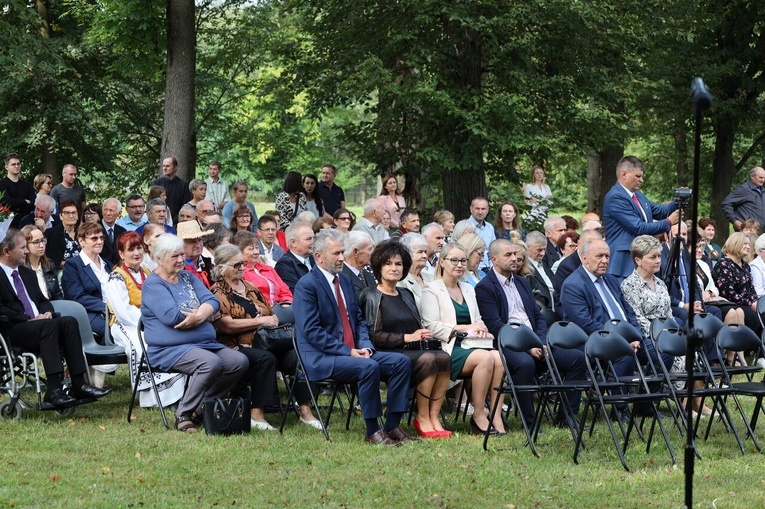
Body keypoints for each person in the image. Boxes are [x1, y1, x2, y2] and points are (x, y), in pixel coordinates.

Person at [293, 228, 414, 445]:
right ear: (318, 256)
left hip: (354, 351)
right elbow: (311, 331)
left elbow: (358, 320)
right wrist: (348, 351)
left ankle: (392, 426)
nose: (341, 258)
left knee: (401, 362)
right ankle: (373, 431)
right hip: (322, 357)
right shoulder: (307, 286)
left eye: (342, 252)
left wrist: (366, 347)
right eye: (336, 253)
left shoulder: (345, 282)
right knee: (368, 368)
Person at [141, 234, 249, 433]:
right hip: (169, 349)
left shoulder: (188, 277)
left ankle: (201, 407)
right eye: (175, 256)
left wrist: (200, 315)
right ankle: (183, 413)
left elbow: (213, 301)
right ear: (159, 258)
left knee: (238, 362)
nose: (181, 259)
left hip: (204, 344)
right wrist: (205, 314)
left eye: (182, 254)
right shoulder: (153, 285)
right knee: (209, 363)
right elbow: (173, 317)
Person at [476, 238, 585, 429]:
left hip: (537, 343)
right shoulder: (485, 287)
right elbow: (495, 325)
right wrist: (527, 347)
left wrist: (541, 342)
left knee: (576, 358)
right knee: (525, 364)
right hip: (508, 345)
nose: (514, 259)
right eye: (508, 255)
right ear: (493, 259)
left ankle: (565, 416)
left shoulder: (521, 282)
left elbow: (538, 317)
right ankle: (530, 422)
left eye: (515, 254)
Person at [211, 244, 321, 431]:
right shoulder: (217, 292)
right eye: (236, 265)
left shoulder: (250, 287)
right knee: (265, 359)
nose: (242, 269)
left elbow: (271, 314)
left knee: (298, 355)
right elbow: (226, 326)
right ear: (222, 268)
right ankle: (256, 414)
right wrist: (260, 321)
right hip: (236, 345)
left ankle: (305, 409)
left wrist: (268, 320)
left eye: (242, 264)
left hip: (266, 340)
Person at [560, 238, 672, 420]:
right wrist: (620, 339)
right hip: (596, 341)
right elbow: (585, 323)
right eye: (599, 256)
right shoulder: (573, 285)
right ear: (584, 258)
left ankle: (645, 405)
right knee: (624, 353)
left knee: (664, 351)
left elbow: (629, 313)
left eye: (607, 256)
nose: (605, 260)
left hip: (626, 338)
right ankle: (619, 408)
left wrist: (634, 335)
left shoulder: (610, 280)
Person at [0, 229, 110, 407]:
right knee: (49, 326)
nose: (27, 251)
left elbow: (43, 301)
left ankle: (79, 383)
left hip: (40, 325)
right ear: (6, 251)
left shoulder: (26, 273)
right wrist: (28, 319)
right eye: (22, 248)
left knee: (68, 322)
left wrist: (47, 312)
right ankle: (53, 389)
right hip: (13, 329)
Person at [359, 241, 452, 438]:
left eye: (399, 264)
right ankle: (412, 419)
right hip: (387, 353)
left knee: (443, 357)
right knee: (429, 359)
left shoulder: (405, 293)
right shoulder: (371, 296)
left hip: (413, 349)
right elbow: (373, 336)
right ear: (378, 266)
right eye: (388, 263)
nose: (394, 268)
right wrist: (407, 337)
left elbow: (415, 327)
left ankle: (432, 417)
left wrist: (423, 333)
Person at [621, 235, 714, 417]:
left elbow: (669, 315)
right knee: (667, 352)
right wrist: (664, 336)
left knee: (693, 345)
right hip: (647, 336)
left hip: (667, 332)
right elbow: (637, 318)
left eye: (658, 256)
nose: (658, 261)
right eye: (653, 257)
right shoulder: (630, 285)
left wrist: (675, 334)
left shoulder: (661, 283)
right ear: (638, 260)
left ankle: (694, 402)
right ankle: (672, 404)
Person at [420, 242, 507, 435]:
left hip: (473, 343)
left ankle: (496, 414)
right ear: (442, 262)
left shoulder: (468, 288)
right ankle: (478, 415)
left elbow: (477, 320)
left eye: (462, 260)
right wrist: (468, 327)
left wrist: (481, 326)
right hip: (447, 346)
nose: (459, 264)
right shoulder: (431, 289)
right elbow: (431, 326)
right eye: (453, 260)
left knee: (499, 358)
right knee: (485, 358)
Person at [104, 232, 185, 408]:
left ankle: (176, 394)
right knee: (143, 347)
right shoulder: (116, 277)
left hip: (151, 321)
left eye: (139, 248)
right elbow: (123, 311)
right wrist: (150, 320)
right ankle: (152, 398)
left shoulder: (148, 272)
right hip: (126, 325)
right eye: (131, 249)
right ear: (121, 253)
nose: (136, 253)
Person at [603, 156, 680, 278]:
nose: (641, 180)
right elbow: (638, 227)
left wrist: (678, 200)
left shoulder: (638, 195)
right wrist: (668, 223)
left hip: (640, 257)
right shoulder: (615, 197)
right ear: (624, 174)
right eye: (638, 176)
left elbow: (660, 211)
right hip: (624, 261)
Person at [61, 222, 114, 338]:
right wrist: (105, 306)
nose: (100, 242)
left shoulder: (108, 264)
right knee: (115, 331)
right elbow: (76, 296)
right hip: (89, 313)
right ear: (81, 241)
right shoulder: (73, 265)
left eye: (101, 238)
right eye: (94, 238)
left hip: (114, 312)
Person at [712, 232, 763, 335]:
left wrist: (755, 302)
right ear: (735, 243)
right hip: (731, 304)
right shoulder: (723, 264)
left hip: (746, 304)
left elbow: (751, 289)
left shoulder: (745, 266)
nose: (748, 247)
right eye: (745, 244)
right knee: (754, 319)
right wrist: (750, 304)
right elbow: (728, 293)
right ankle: (747, 349)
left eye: (749, 244)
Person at [233, 231, 293, 308]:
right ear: (239, 252)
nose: (256, 252)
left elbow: (284, 290)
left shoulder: (268, 269)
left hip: (281, 308)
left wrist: (286, 303)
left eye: (257, 248)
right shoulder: (239, 273)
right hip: (261, 313)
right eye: (251, 249)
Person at [21, 225, 63, 300]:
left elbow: (57, 294)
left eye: (43, 240)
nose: (42, 245)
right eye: (36, 242)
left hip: (52, 307)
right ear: (25, 244)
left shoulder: (49, 264)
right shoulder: (20, 269)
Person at [274, 221, 315, 292]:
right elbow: (299, 292)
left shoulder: (316, 259)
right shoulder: (284, 265)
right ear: (293, 242)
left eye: (313, 238)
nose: (313, 242)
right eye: (308, 239)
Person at [722, 166, 765, 231]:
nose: (763, 180)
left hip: (759, 232)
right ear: (752, 177)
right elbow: (726, 203)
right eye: (760, 177)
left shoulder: (763, 191)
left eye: (764, 178)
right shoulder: (743, 189)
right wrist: (734, 220)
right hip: (746, 231)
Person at [525, 231, 557, 313]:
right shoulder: (524, 269)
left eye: (544, 249)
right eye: (539, 250)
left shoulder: (546, 265)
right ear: (527, 247)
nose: (542, 253)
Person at [152, 156, 191, 223]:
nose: (164, 168)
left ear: (175, 167)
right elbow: (152, 203)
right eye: (163, 166)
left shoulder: (183, 185)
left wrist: (174, 220)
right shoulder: (156, 183)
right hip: (158, 221)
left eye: (167, 166)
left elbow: (185, 205)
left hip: (178, 222)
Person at [1, 154, 35, 229]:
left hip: (26, 222)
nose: (16, 166)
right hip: (8, 224)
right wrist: (24, 202)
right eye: (13, 164)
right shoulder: (2, 184)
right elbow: (7, 202)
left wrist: (16, 205)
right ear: (6, 167)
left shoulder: (27, 185)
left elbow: (33, 203)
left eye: (18, 164)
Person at [44, 199, 81, 270]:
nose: (71, 216)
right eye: (67, 213)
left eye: (74, 213)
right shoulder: (51, 233)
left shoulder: (83, 233)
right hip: (62, 272)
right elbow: (52, 260)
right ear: (61, 216)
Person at [397, 232, 431, 307]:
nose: (425, 256)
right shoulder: (400, 281)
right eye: (420, 252)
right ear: (407, 254)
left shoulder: (432, 278)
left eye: (425, 252)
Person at [342, 231, 376, 298]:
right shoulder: (340, 277)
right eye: (369, 249)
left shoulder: (368, 274)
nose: (373, 253)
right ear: (356, 252)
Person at [466, 197, 495, 271]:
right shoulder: (465, 226)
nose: (480, 212)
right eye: (477, 208)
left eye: (483, 209)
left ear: (487, 210)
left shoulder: (490, 227)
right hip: (471, 270)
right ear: (471, 209)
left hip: (489, 269)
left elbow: (493, 250)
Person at [100, 198, 127, 266]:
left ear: (119, 213)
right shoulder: (94, 229)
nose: (108, 213)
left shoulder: (122, 232)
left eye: (111, 210)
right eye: (105, 210)